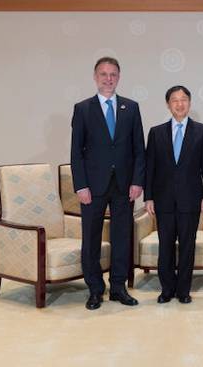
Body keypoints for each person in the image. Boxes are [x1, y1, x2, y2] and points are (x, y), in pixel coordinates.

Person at [71, 56, 146, 310]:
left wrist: (138, 181)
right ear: (95, 77)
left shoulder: (131, 107)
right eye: (103, 74)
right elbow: (76, 152)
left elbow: (139, 150)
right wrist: (80, 185)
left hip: (124, 186)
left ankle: (118, 287)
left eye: (113, 74)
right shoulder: (83, 109)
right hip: (92, 187)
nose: (108, 78)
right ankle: (94, 289)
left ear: (119, 77)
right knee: (91, 238)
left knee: (122, 237)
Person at [144, 85, 203, 304]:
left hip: (190, 199)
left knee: (187, 245)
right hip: (163, 199)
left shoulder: (202, 131)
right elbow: (150, 168)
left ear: (189, 103)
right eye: (175, 100)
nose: (179, 104)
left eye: (184, 99)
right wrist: (148, 197)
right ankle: (167, 289)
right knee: (165, 246)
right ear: (168, 104)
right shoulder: (156, 132)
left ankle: (183, 290)